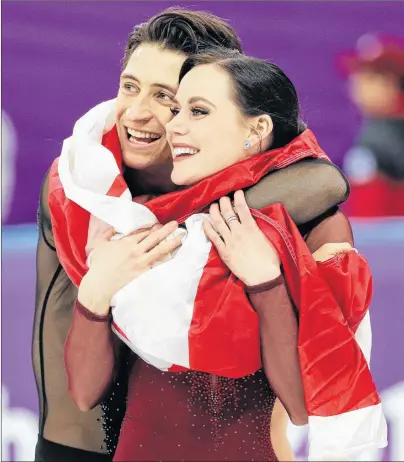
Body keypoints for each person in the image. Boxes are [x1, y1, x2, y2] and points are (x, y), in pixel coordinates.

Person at [33, 7, 349, 462]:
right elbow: (314, 182)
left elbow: (321, 180)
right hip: (77, 449)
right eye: (129, 86)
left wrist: (264, 276)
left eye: (167, 98)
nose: (137, 113)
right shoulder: (81, 180)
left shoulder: (244, 192)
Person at [338, 33, 404, 217]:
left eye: (366, 78)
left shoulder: (374, 142)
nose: (354, 85)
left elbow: (368, 220)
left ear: (390, 83)